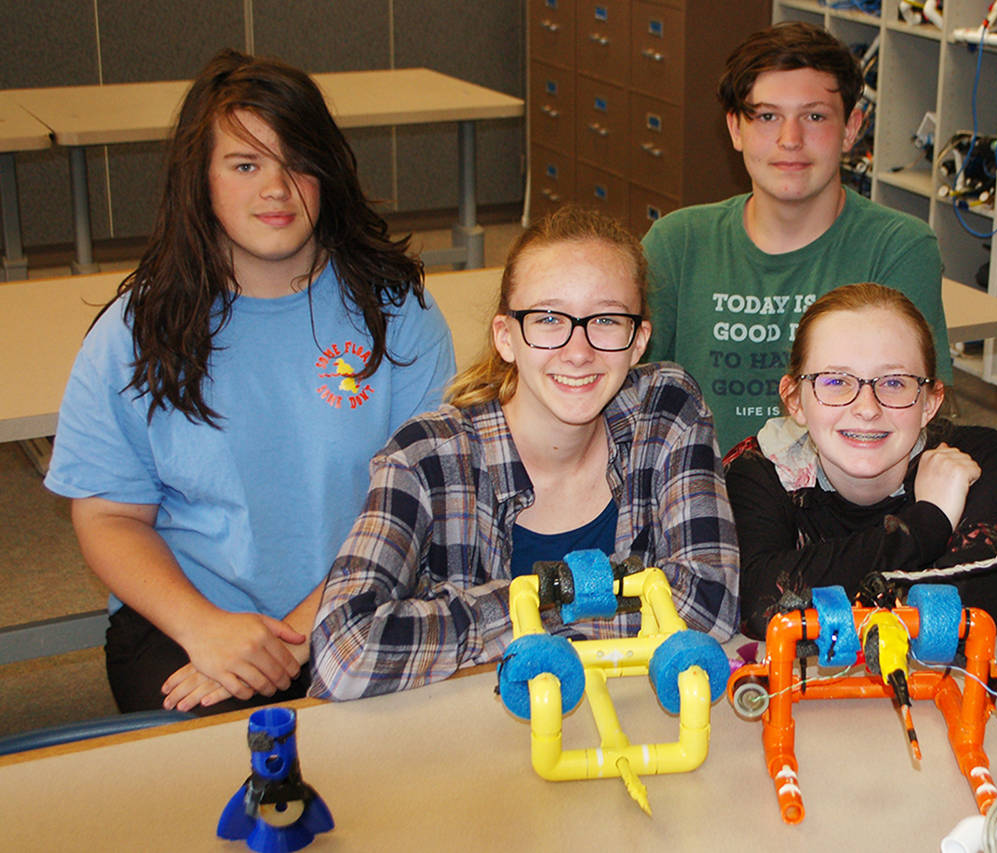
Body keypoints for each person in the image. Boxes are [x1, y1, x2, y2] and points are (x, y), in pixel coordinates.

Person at [44, 49, 456, 715]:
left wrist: (293, 638)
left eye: (298, 163)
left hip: (364, 599)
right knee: (224, 783)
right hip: (190, 619)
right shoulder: (136, 329)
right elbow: (109, 515)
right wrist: (204, 629)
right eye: (244, 164)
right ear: (201, 180)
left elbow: (424, 504)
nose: (277, 188)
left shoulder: (397, 311)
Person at [309, 206, 740, 700]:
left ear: (638, 340)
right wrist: (561, 598)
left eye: (606, 320)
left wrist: (523, 617)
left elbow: (712, 601)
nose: (578, 352)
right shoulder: (425, 458)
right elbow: (343, 652)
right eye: (549, 319)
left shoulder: (668, 409)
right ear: (506, 338)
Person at [643, 21, 949, 449]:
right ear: (735, 128)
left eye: (815, 116)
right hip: (698, 495)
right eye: (767, 116)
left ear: (851, 128)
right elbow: (630, 398)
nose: (791, 139)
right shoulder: (677, 243)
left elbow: (911, 413)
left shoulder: (898, 247)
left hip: (837, 501)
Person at [725, 283, 997, 640]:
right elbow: (757, 606)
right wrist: (926, 524)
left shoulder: (985, 464)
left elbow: (956, 625)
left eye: (894, 383)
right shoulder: (756, 471)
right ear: (795, 400)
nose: (867, 408)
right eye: (836, 381)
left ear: (930, 402)